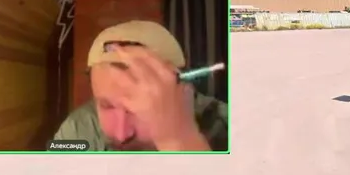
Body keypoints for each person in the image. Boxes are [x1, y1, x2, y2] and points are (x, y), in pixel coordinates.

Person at [51, 20, 228, 151]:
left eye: (140, 106)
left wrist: (179, 140)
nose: (122, 134)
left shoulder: (230, 126)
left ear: (184, 91)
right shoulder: (76, 131)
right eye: (106, 105)